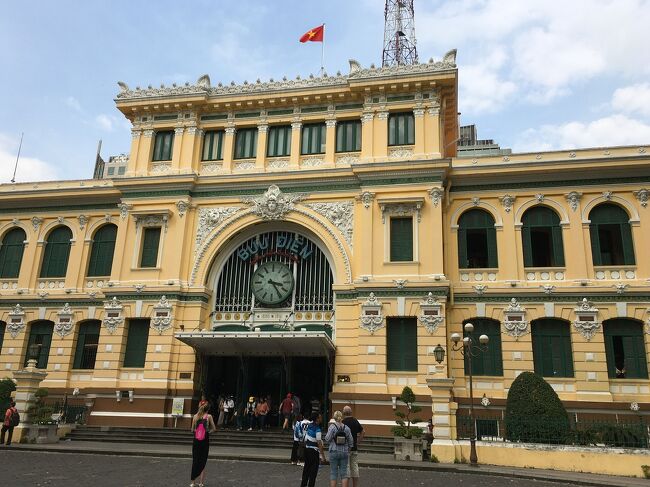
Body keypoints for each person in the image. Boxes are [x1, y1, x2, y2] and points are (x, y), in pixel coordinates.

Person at [324, 410, 354, 487]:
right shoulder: (346, 428)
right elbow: (351, 441)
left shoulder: (332, 427)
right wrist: (348, 450)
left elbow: (327, 439)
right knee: (344, 474)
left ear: (334, 418)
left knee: (333, 472)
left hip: (333, 451)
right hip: (344, 452)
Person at [190, 403, 216, 487]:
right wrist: (207, 433)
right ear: (207, 409)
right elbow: (214, 429)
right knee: (203, 460)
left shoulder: (195, 416)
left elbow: (192, 429)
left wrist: (197, 432)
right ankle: (201, 483)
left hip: (196, 440)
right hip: (205, 440)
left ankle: (193, 482)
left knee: (195, 460)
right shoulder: (209, 416)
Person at [300, 412, 326, 487]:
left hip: (307, 450)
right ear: (317, 419)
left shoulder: (309, 425)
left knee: (306, 470)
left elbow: (306, 438)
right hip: (314, 452)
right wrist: (322, 456)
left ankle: (303, 485)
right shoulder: (317, 429)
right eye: (320, 417)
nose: (321, 418)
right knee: (313, 473)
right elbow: (319, 443)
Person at [342, 405, 364, 487]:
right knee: (355, 467)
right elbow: (363, 431)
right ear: (351, 412)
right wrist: (358, 442)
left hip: (345, 448)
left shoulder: (343, 422)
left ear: (344, 413)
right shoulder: (355, 421)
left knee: (346, 467)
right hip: (354, 447)